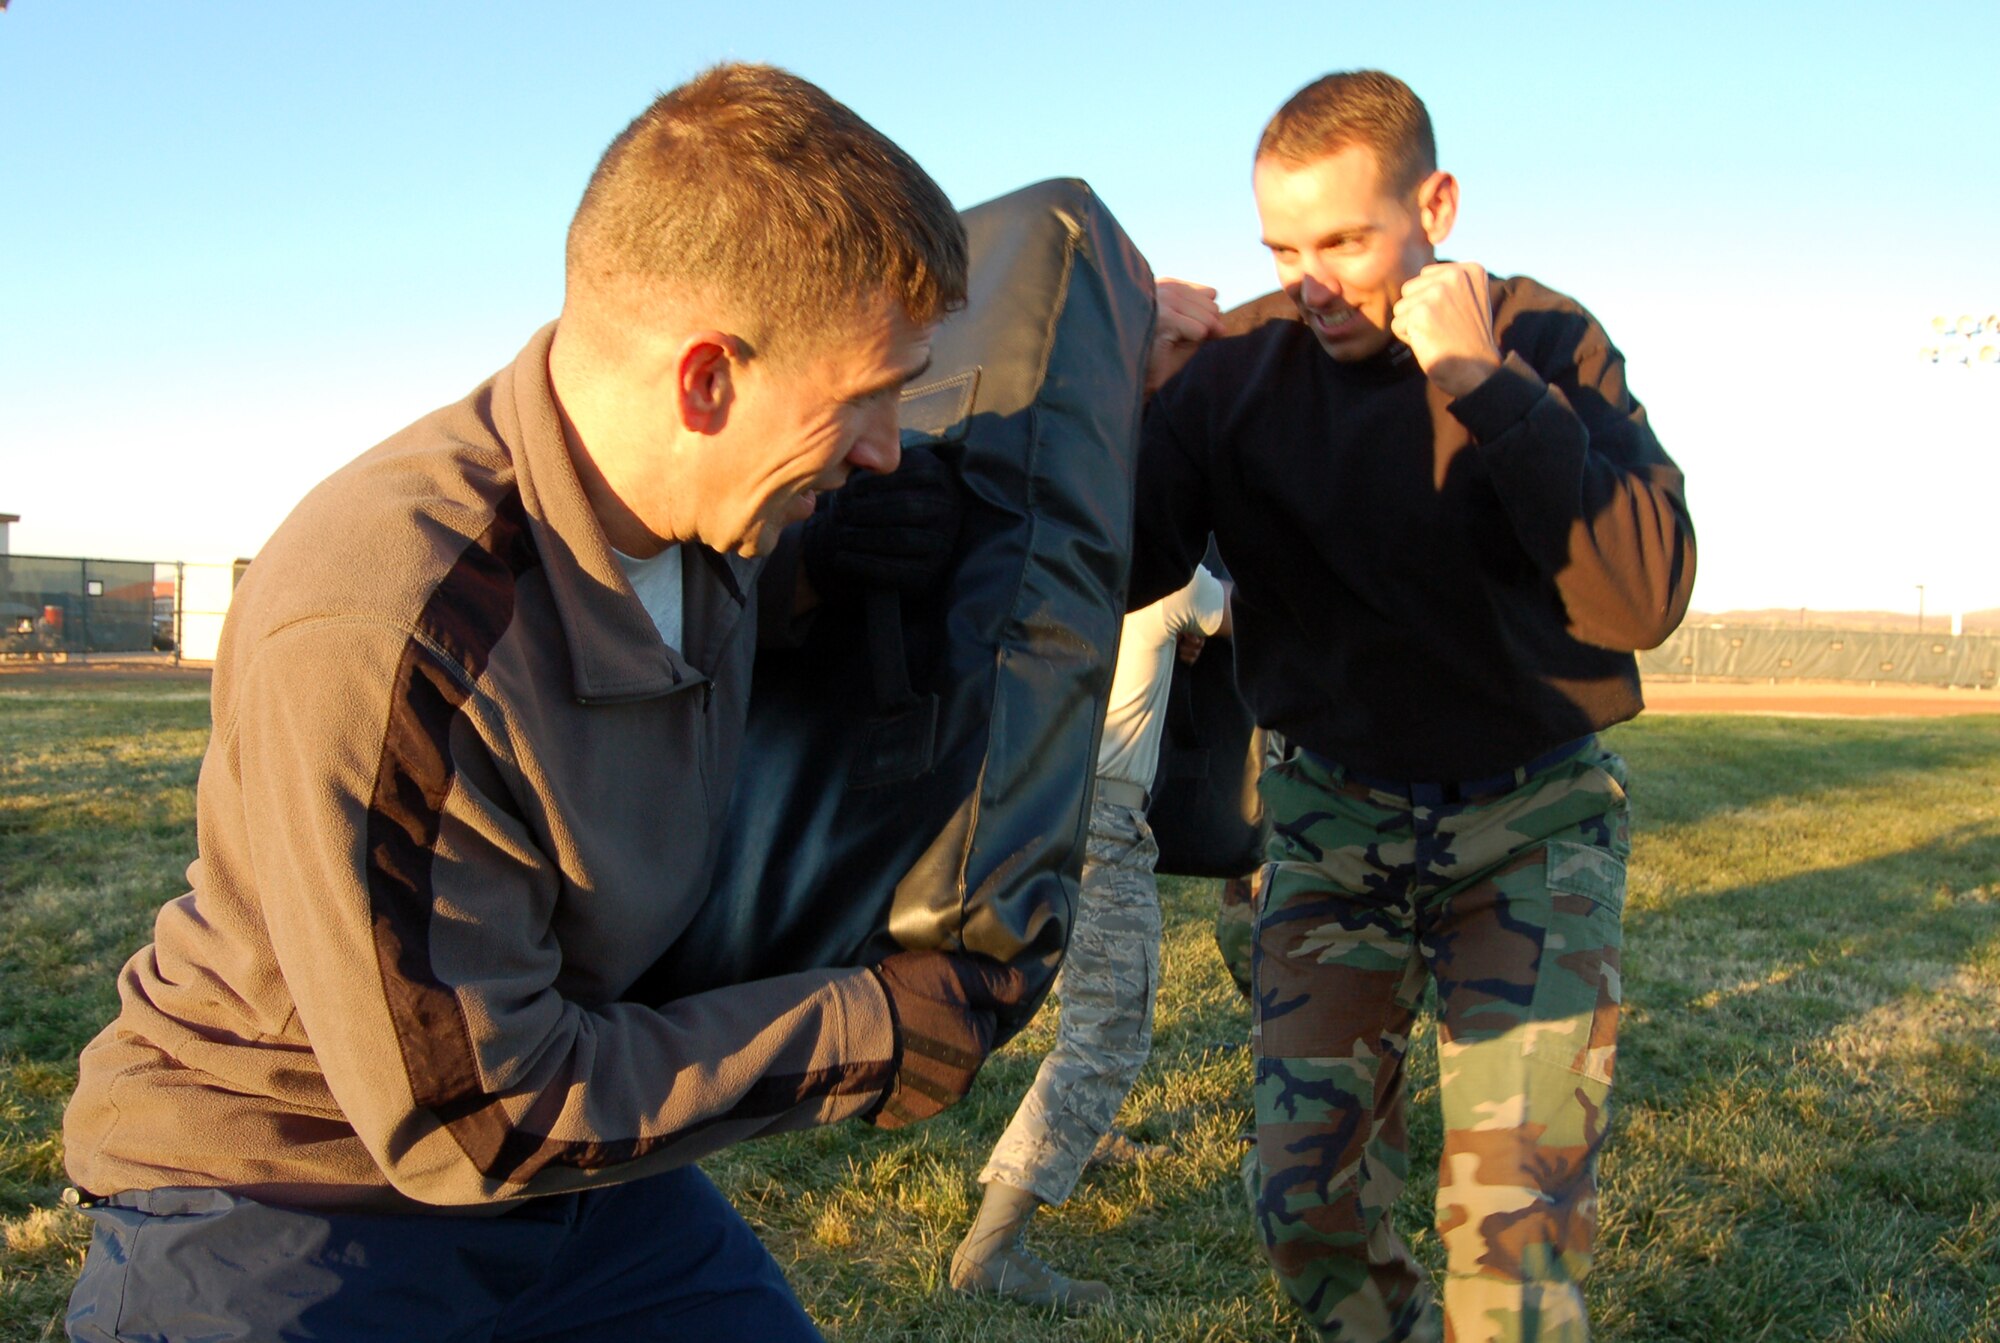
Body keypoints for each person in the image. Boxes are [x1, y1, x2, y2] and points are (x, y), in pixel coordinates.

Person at [60, 64, 1027, 1343]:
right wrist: (870, 1031)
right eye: (865, 396)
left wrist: (834, 578)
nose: (882, 448)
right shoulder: (398, 626)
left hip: (583, 1176)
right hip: (287, 1191)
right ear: (704, 383)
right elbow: (473, 1117)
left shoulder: (707, 507)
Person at [1131, 71, 1695, 1342]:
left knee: (1517, 1233)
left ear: (1432, 203)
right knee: (1302, 1197)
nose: (1312, 281)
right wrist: (1131, 390)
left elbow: (1643, 589)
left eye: (1343, 239)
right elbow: (1119, 563)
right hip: (1332, 822)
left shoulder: (1541, 340)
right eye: (1283, 245)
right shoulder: (1239, 372)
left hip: (1530, 821)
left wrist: (1486, 387)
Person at [949, 567, 1230, 1311]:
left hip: (1030, 805)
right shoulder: (1169, 570)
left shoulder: (1073, 561)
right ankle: (991, 1251)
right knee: (1110, 1030)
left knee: (1085, 1007)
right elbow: (1240, 617)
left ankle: (1082, 1136)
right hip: (1100, 821)